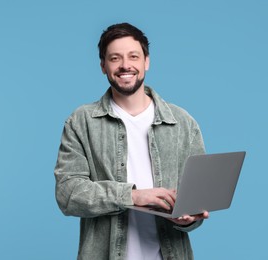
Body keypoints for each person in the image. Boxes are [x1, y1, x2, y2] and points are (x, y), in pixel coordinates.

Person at [54, 22, 209, 260]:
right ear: (103, 66)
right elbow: (68, 194)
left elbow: (196, 202)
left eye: (133, 56)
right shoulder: (81, 122)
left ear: (146, 61)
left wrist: (188, 219)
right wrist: (132, 196)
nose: (125, 65)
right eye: (115, 58)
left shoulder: (183, 123)